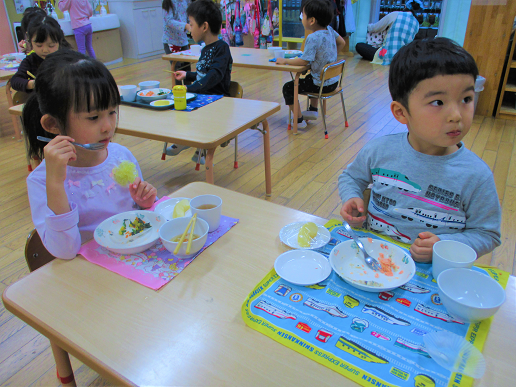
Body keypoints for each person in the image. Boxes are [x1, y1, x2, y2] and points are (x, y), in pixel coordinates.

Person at [338, 38, 501, 262]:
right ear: (401, 112)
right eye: (438, 102)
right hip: (373, 259)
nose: (456, 115)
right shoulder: (379, 150)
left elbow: (487, 234)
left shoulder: (476, 176)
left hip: (432, 272)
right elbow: (350, 177)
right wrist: (352, 196)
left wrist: (444, 246)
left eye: (466, 98)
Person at [24, 50, 157, 260]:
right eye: (93, 117)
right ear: (53, 124)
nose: (108, 127)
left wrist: (145, 203)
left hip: (135, 259)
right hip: (89, 275)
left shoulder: (121, 155)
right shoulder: (42, 181)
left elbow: (137, 216)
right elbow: (65, 252)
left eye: (112, 112)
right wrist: (56, 184)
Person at [167, 0, 233, 160]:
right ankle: (185, 139)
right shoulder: (205, 49)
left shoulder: (222, 48)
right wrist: (187, 76)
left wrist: (191, 88)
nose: (189, 28)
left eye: (191, 24)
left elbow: (214, 76)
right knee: (177, 108)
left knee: (191, 107)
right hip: (203, 95)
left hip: (217, 99)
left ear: (204, 27)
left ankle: (203, 146)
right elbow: (203, 73)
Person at [276, 0, 346, 128]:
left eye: (303, 15)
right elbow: (342, 43)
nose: (301, 18)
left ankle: (298, 120)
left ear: (312, 20)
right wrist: (331, 55)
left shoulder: (313, 38)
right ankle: (313, 110)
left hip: (321, 85)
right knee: (311, 76)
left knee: (288, 88)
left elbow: (304, 61)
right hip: (333, 81)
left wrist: (285, 60)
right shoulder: (330, 30)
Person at [11, 16, 66, 92]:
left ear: (59, 42)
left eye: (51, 45)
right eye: (39, 45)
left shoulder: (66, 58)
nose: (45, 50)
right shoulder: (31, 61)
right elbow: (15, 81)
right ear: (30, 42)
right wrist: (34, 84)